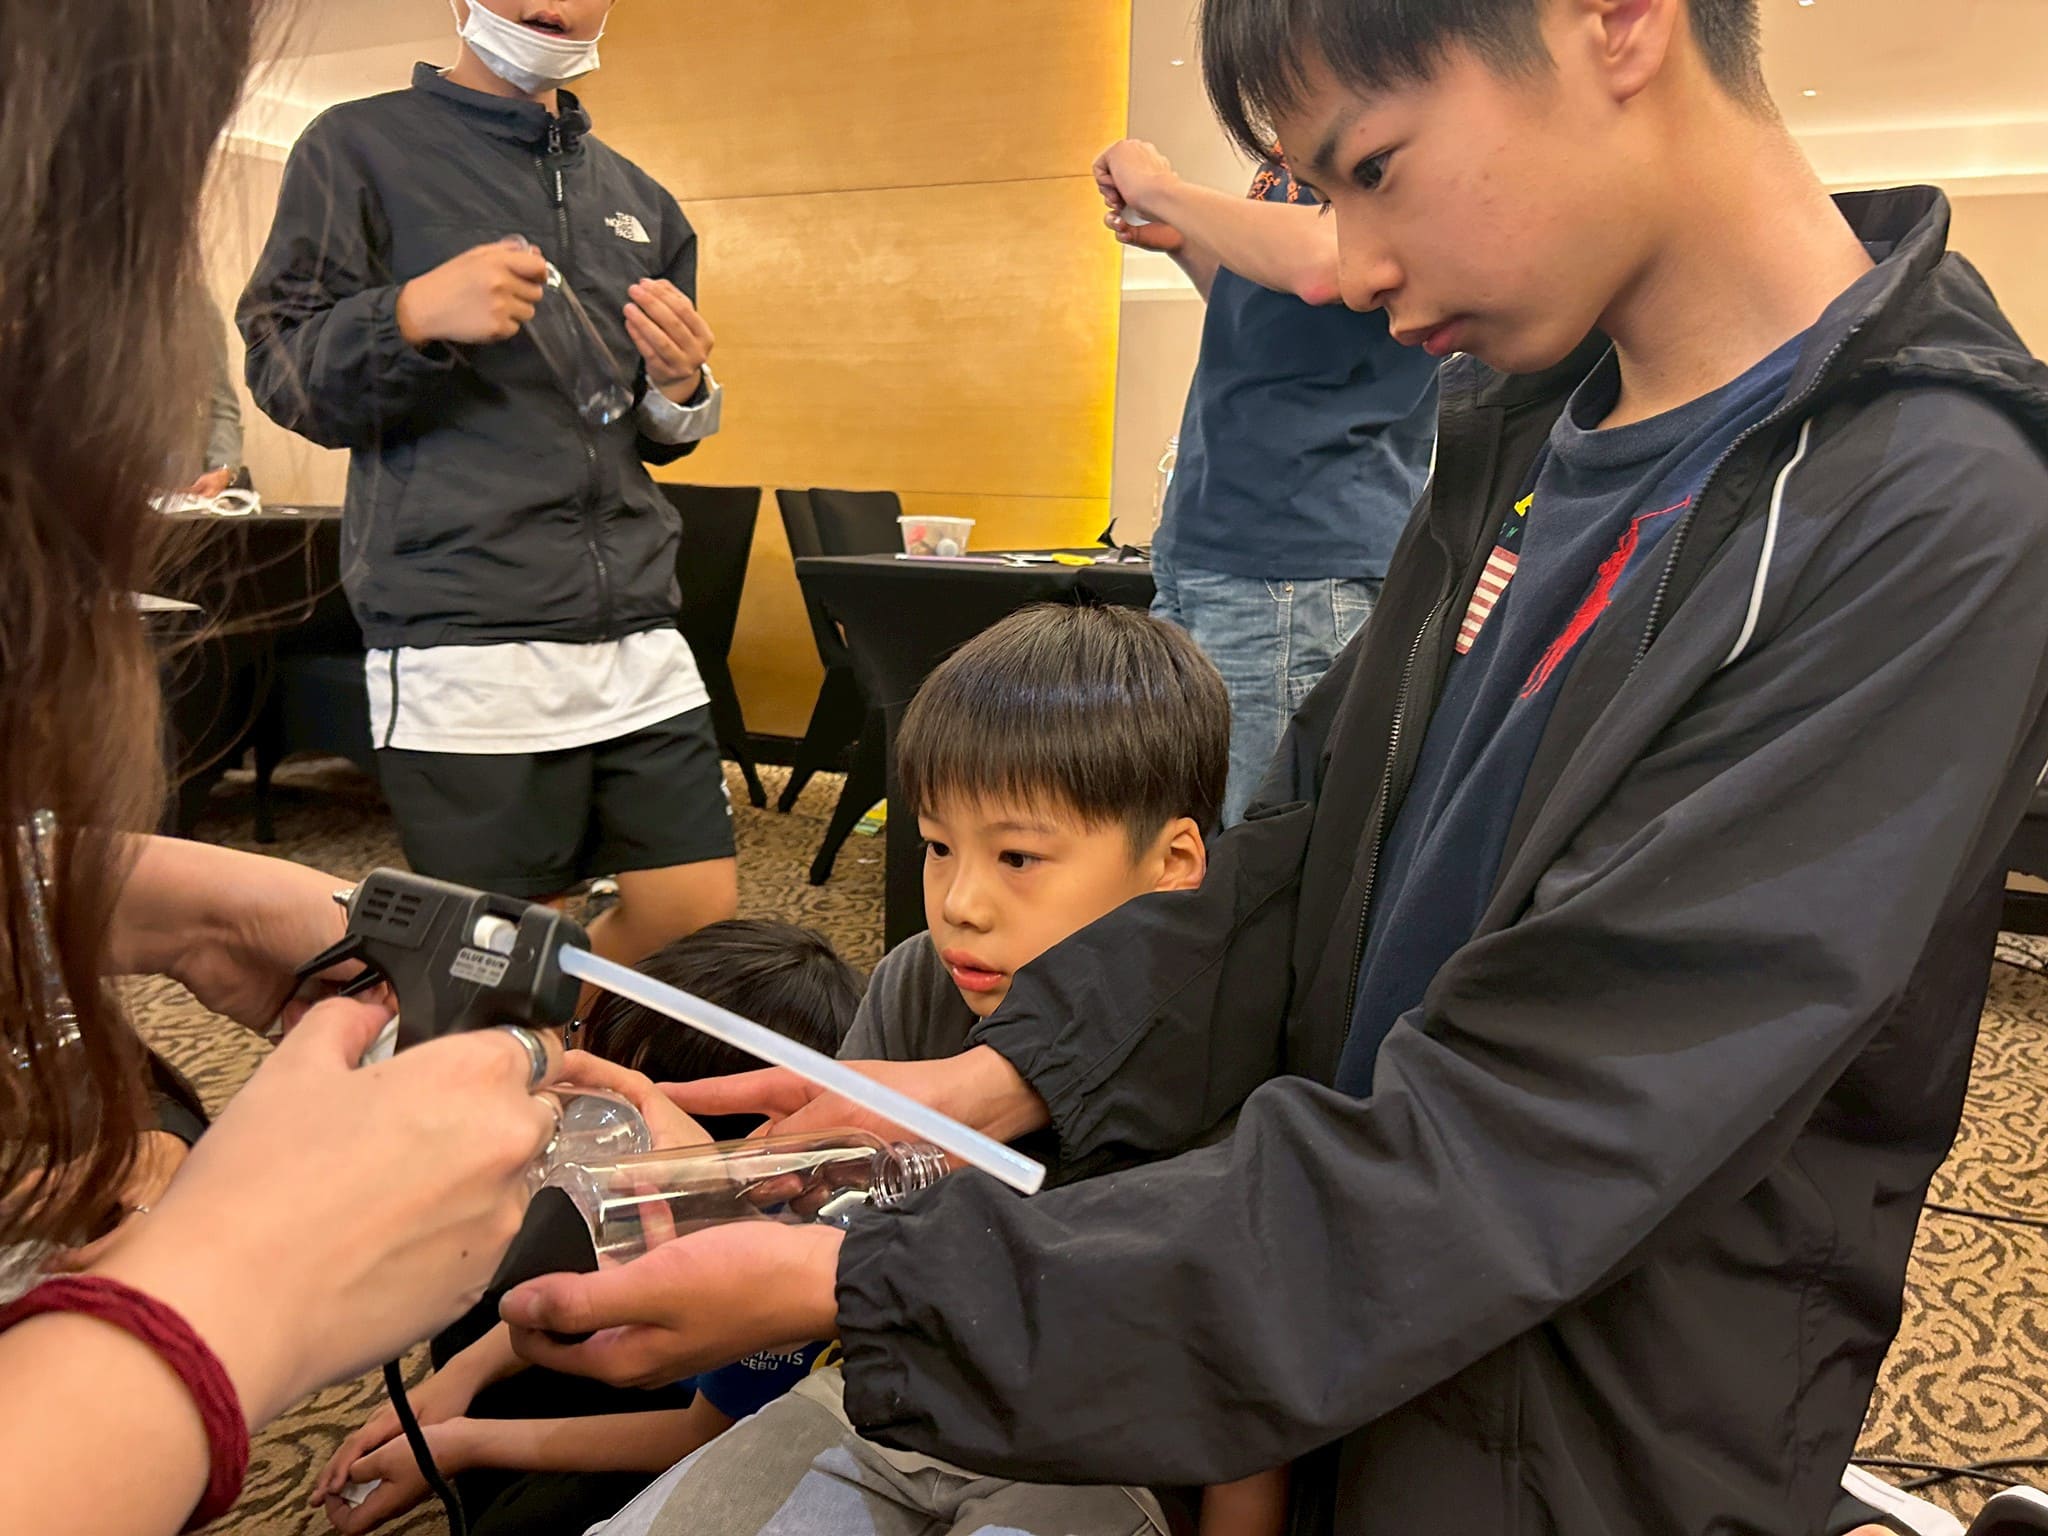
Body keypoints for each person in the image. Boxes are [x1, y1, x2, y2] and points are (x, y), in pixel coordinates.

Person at [501, 3, 2048, 1534]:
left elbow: (1534, 1135)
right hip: (1368, 1345)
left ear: (1617, 24)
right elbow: (1311, 862)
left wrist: (867, 1283)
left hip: (1580, 1418)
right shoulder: (1527, 430)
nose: (1353, 268)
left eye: (1372, 168)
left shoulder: (1920, 512)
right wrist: (1001, 1072)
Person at [556, 605, 1286, 1536]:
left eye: (1018, 856)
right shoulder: (916, 982)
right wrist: (711, 1182)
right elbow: (833, 1215)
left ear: (1173, 861)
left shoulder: (1233, 1045)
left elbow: (1252, 1362)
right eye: (939, 846)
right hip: (886, 1399)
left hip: (1102, 1455)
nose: (959, 904)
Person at [240, 0, 738, 966]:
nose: (551, 6)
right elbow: (282, 370)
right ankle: (499, 1044)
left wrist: (681, 386)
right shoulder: (355, 148)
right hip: (467, 633)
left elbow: (645, 432)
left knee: (695, 918)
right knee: (505, 949)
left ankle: (536, 1030)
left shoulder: (643, 200)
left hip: (637, 626)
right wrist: (409, 315)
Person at [313, 920, 861, 1536]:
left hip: (711, 1424)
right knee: (480, 1312)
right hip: (658, 1339)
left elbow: (699, 1432)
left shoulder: (785, 1252)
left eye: (632, 1114)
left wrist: (466, 1443)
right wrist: (458, 1379)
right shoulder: (658, 1191)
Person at [1093, 136, 1438, 827]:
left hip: (1296, 560)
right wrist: (1186, 243)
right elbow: (1268, 308)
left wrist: (1163, 190)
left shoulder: (1396, 135)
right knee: (1182, 820)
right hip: (1209, 545)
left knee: (1262, 837)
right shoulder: (1301, 145)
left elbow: (1327, 265)